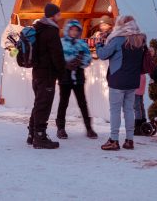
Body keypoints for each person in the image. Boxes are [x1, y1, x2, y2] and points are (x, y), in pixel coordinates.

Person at [96, 15, 146, 151]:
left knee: (115, 111)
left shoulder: (117, 40)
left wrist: (99, 43)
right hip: (133, 81)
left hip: (118, 80)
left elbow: (103, 54)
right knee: (129, 110)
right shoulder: (140, 39)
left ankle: (114, 140)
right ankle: (130, 140)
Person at [27, 3, 66, 150]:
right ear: (53, 15)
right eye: (58, 14)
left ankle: (32, 134)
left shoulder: (37, 28)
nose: (60, 17)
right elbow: (57, 55)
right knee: (44, 105)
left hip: (37, 73)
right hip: (47, 74)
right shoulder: (51, 31)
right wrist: (62, 73)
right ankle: (40, 136)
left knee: (38, 103)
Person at [55, 20, 97, 140]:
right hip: (65, 77)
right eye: (72, 29)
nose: (74, 32)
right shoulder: (61, 43)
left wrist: (80, 61)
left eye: (76, 30)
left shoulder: (82, 44)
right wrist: (66, 63)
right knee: (63, 102)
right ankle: (61, 128)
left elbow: (88, 58)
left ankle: (89, 128)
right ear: (68, 30)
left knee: (82, 103)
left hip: (78, 77)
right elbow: (57, 58)